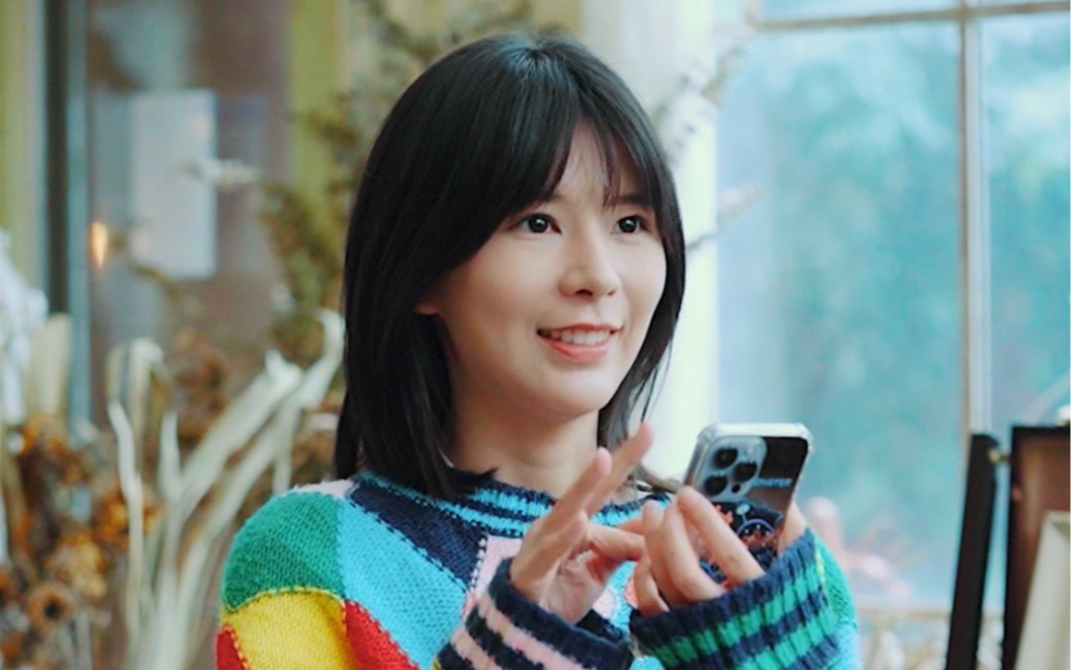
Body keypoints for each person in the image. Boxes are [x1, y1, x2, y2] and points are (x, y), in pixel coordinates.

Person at [215, 33, 860, 670]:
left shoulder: (765, 582)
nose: (597, 276)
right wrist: (511, 646)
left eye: (629, 223)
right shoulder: (310, 557)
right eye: (537, 223)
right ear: (423, 271)